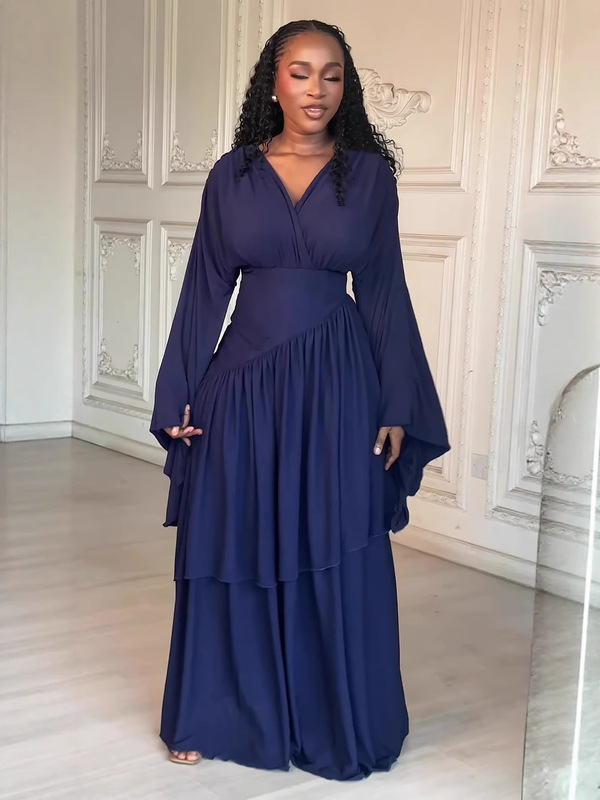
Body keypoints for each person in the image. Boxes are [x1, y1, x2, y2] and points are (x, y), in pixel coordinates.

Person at [150, 18, 450, 782]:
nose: (317, 89)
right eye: (301, 72)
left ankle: (333, 719)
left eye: (333, 74)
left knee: (335, 534)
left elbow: (384, 292)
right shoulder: (233, 175)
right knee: (232, 537)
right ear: (273, 82)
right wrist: (179, 391)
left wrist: (397, 401)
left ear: (346, 87)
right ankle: (214, 711)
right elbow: (204, 288)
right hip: (242, 384)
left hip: (338, 384)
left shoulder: (368, 177)